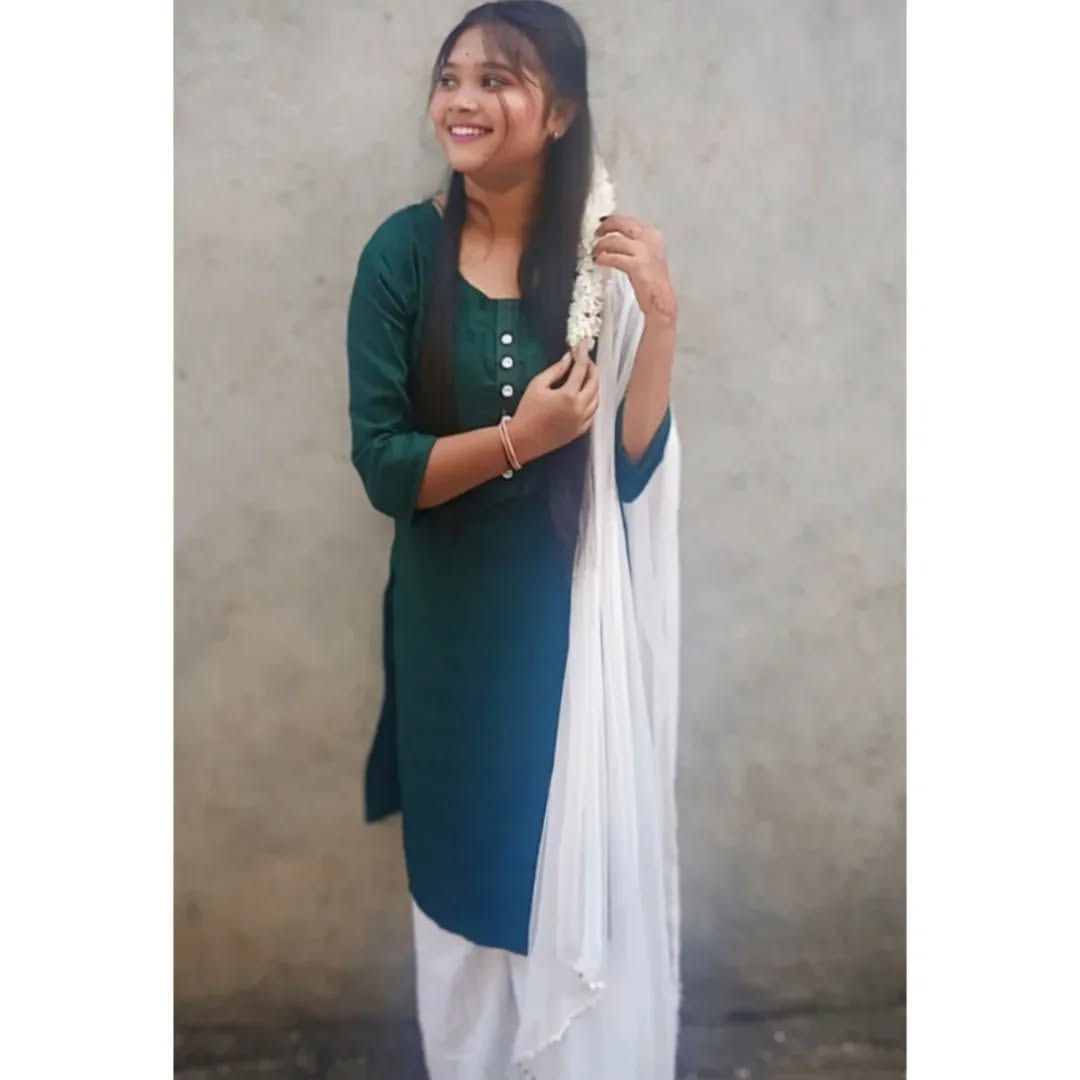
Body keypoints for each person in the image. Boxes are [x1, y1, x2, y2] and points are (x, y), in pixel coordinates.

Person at [346, 3, 682, 1076]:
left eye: (498, 80)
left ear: (561, 112)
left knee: (569, 880)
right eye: (452, 78)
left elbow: (630, 470)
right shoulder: (403, 254)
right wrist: (515, 440)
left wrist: (661, 319)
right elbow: (384, 465)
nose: (463, 100)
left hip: (567, 636)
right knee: (466, 891)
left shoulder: (597, 262)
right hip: (452, 639)